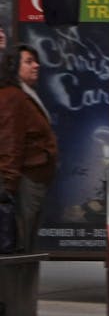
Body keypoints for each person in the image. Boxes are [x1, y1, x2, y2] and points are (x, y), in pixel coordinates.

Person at [0, 44, 57, 254]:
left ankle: (22, 285)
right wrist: (9, 185)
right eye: (28, 61)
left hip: (31, 179)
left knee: (26, 240)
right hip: (24, 182)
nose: (36, 66)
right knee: (20, 241)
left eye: (36, 61)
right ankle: (17, 287)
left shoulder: (25, 94)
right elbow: (10, 142)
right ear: (14, 66)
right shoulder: (13, 97)